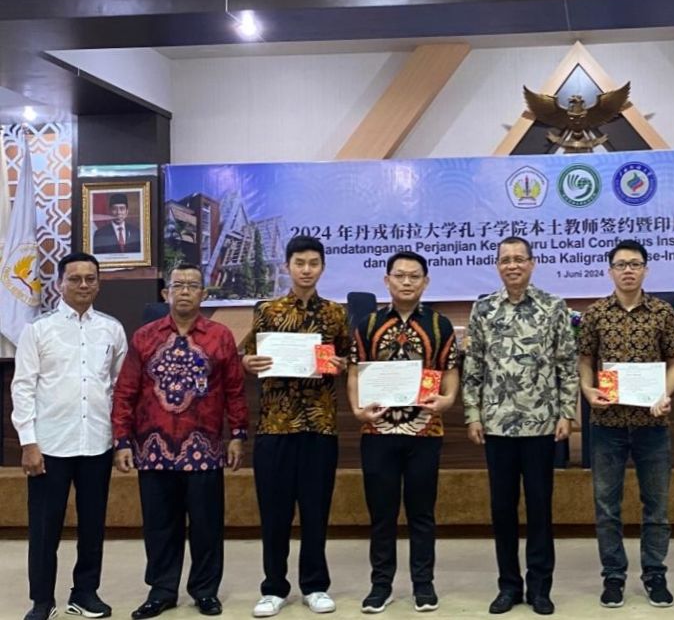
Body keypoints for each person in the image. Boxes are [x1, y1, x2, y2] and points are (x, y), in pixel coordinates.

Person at [111, 263, 249, 619]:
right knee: (160, 527)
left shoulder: (220, 336)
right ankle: (162, 591)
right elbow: (125, 391)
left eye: (193, 285)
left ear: (203, 293)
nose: (185, 291)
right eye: (178, 285)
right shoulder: (145, 337)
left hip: (204, 449)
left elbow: (235, 390)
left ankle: (205, 591)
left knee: (207, 527)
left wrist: (237, 435)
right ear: (165, 293)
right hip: (153, 449)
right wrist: (122, 440)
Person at [462, 236, 578, 616]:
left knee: (540, 508)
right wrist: (473, 414)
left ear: (532, 263)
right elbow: (473, 366)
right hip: (497, 425)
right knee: (502, 509)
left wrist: (566, 413)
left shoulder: (553, 306)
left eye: (519, 259)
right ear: (498, 265)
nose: (512, 265)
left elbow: (567, 364)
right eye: (505, 260)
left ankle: (540, 588)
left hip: (541, 424)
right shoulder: (483, 308)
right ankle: (509, 586)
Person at [11, 252, 127, 620]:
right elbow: (23, 387)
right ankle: (42, 601)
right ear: (60, 283)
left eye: (90, 278)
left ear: (99, 284)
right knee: (45, 528)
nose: (83, 285)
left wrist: (121, 438)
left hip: (97, 442)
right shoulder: (38, 330)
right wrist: (28, 442)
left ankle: (85, 593)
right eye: (74, 278)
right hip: (50, 445)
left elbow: (120, 387)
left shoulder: (112, 329)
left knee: (93, 526)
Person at [241, 236, 350, 618]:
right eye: (299, 263)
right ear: (287, 266)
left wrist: (340, 365)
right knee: (274, 513)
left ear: (322, 267)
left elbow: (347, 358)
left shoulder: (335, 313)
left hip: (320, 426)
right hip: (275, 426)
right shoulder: (268, 311)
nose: (306, 270)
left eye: (313, 263)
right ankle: (273, 587)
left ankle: (315, 585)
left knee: (316, 510)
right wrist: (248, 363)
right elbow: (247, 354)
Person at [348, 251, 459, 614]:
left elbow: (450, 369)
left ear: (426, 282)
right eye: (400, 276)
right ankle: (380, 585)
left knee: (421, 513)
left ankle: (423, 585)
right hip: (377, 431)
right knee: (382, 514)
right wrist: (356, 409)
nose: (407, 282)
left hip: (425, 430)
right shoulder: (368, 323)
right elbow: (355, 371)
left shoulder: (440, 325)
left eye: (414, 276)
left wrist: (448, 399)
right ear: (387, 280)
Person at [577, 239, 674, 609]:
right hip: (607, 423)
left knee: (656, 505)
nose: (628, 270)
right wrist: (587, 390)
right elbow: (585, 359)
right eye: (621, 264)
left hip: (652, 423)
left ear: (645, 270)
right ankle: (613, 576)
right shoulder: (595, 313)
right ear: (610, 271)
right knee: (607, 505)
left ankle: (655, 573)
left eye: (635, 264)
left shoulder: (662, 313)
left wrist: (666, 393)